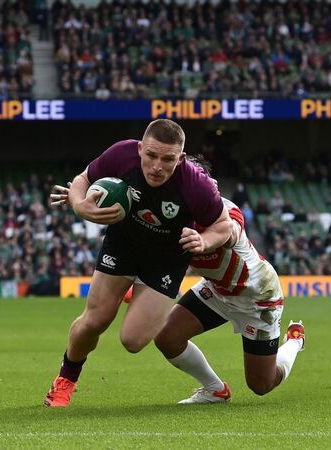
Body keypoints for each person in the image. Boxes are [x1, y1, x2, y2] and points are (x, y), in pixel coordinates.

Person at [43, 119, 232, 407]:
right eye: (151, 155)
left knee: (133, 341)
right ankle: (66, 379)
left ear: (180, 158)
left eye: (168, 159)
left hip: (168, 258)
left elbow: (224, 226)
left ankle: (132, 293)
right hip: (124, 243)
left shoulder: (197, 185)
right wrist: (80, 205)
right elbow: (83, 179)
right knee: (95, 320)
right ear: (140, 148)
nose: (157, 166)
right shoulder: (122, 154)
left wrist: (204, 241)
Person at [154, 157, 305, 404]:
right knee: (167, 337)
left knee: (261, 384)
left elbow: (231, 230)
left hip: (258, 297)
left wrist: (203, 240)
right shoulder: (170, 216)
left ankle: (295, 341)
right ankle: (215, 389)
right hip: (217, 290)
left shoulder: (225, 210)